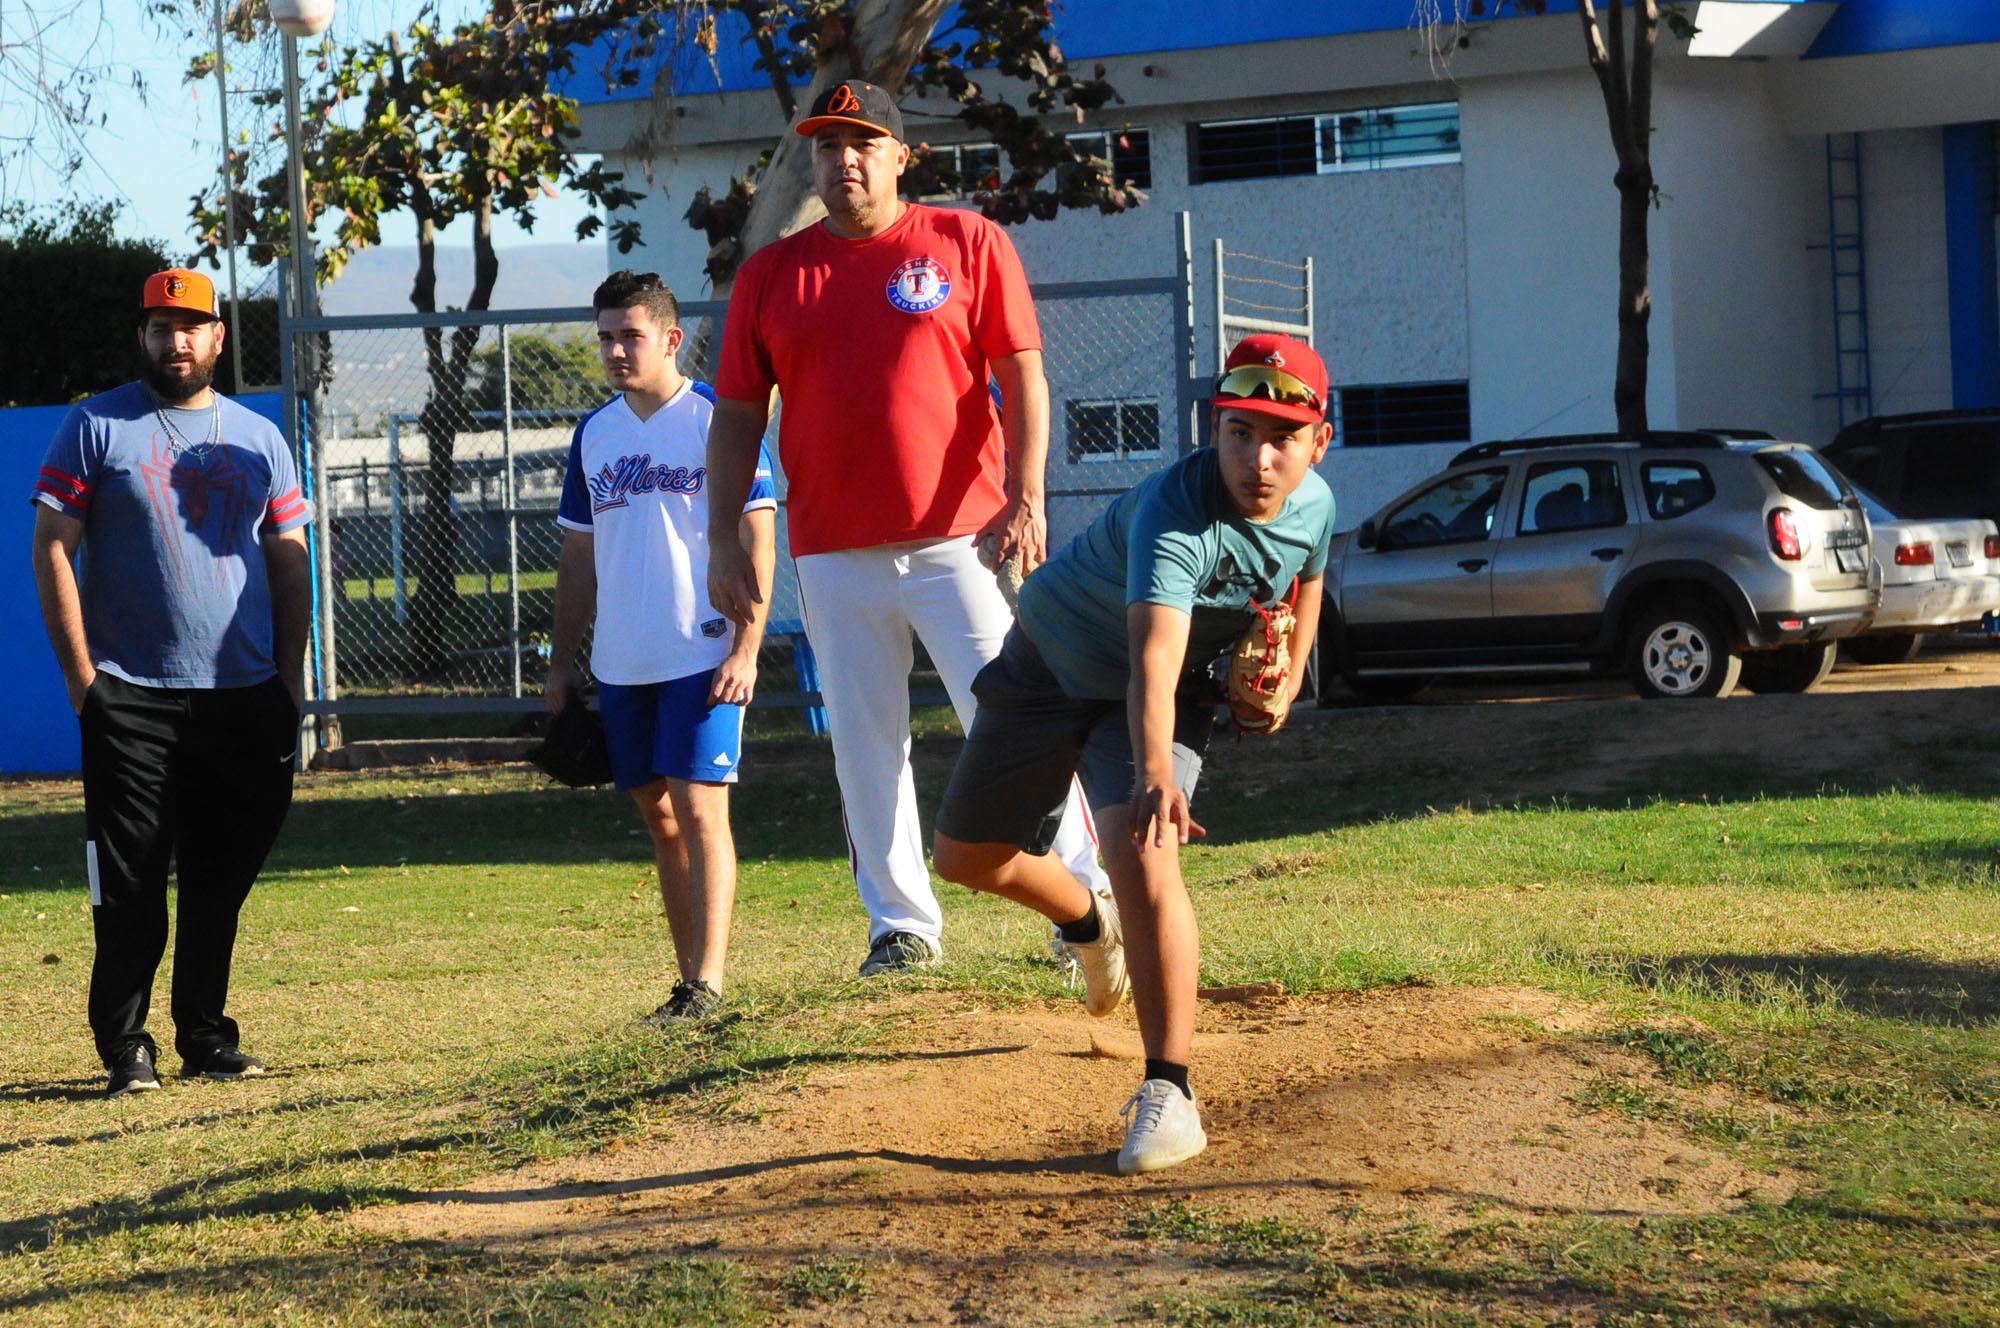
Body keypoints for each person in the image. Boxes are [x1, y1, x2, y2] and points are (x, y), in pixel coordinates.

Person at [704, 78, 1119, 981]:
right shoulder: (773, 274)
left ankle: (1087, 898)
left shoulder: (966, 242)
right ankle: (900, 926)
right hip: (831, 550)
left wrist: (1028, 492)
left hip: (959, 540)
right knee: (864, 743)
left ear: (900, 155)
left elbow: (1025, 378)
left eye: (861, 143)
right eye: (826, 145)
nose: (842, 160)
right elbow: (735, 418)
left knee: (1017, 726)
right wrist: (720, 537)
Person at [931, 334, 1336, 1174]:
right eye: (1238, 432)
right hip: (1051, 663)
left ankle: (1170, 1090)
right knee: (966, 857)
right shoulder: (1175, 513)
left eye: (1281, 438)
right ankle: (1087, 919)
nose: (1257, 458)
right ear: (1213, 429)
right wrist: (1157, 773)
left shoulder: (1318, 504)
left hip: (1161, 691)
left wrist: (1290, 675)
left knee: (1149, 860)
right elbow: (1150, 655)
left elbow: (1309, 573)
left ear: (1318, 442)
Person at [30, 267, 313, 1097]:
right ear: (142, 337)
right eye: (160, 326)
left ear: (219, 337)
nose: (175, 341)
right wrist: (87, 683)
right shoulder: (95, 427)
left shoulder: (260, 438)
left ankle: (205, 1034)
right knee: (130, 885)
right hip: (132, 698)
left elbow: (289, 561)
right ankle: (125, 1047)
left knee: (220, 878)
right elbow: (54, 548)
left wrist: (287, 677)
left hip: (243, 695)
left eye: (191, 326)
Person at [546, 270, 778, 1023]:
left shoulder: (717, 419)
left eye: (631, 335)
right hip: (624, 659)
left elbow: (758, 534)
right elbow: (578, 560)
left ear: (671, 339)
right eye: (607, 336)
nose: (616, 349)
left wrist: (746, 648)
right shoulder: (596, 433)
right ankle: (686, 983)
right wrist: (561, 663)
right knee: (660, 815)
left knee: (701, 806)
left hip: (703, 649)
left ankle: (708, 983)